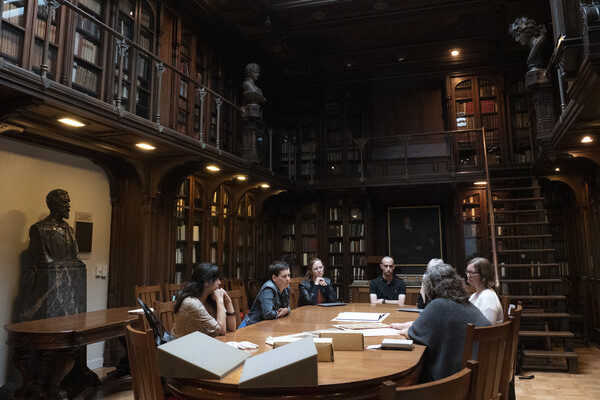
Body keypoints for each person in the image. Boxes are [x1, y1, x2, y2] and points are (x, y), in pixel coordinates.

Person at [390, 263, 491, 382]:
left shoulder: (439, 305)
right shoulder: (465, 303)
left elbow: (414, 333)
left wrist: (402, 331)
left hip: (453, 382)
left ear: (431, 287)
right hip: (480, 378)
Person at [172, 263, 237, 338]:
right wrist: (220, 301)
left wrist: (229, 302)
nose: (219, 283)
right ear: (206, 282)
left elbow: (232, 328)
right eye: (216, 279)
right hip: (182, 347)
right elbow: (221, 330)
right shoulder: (191, 303)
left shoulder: (209, 299)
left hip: (200, 344)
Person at [28, 189, 79, 264]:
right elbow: (41, 260)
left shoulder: (70, 230)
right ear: (53, 205)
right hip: (50, 273)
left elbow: (75, 258)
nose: (68, 206)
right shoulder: (39, 229)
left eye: (68, 202)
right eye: (65, 202)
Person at [240, 261, 290, 327]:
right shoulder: (268, 288)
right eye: (284, 276)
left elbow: (286, 307)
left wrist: (286, 310)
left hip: (267, 326)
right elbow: (267, 314)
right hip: (252, 326)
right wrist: (281, 312)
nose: (288, 279)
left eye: (289, 275)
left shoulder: (286, 287)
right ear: (274, 278)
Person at [466, 257, 503, 325]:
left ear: (483, 275)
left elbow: (488, 326)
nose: (468, 275)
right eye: (467, 272)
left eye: (471, 273)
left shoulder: (488, 297)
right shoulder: (475, 295)